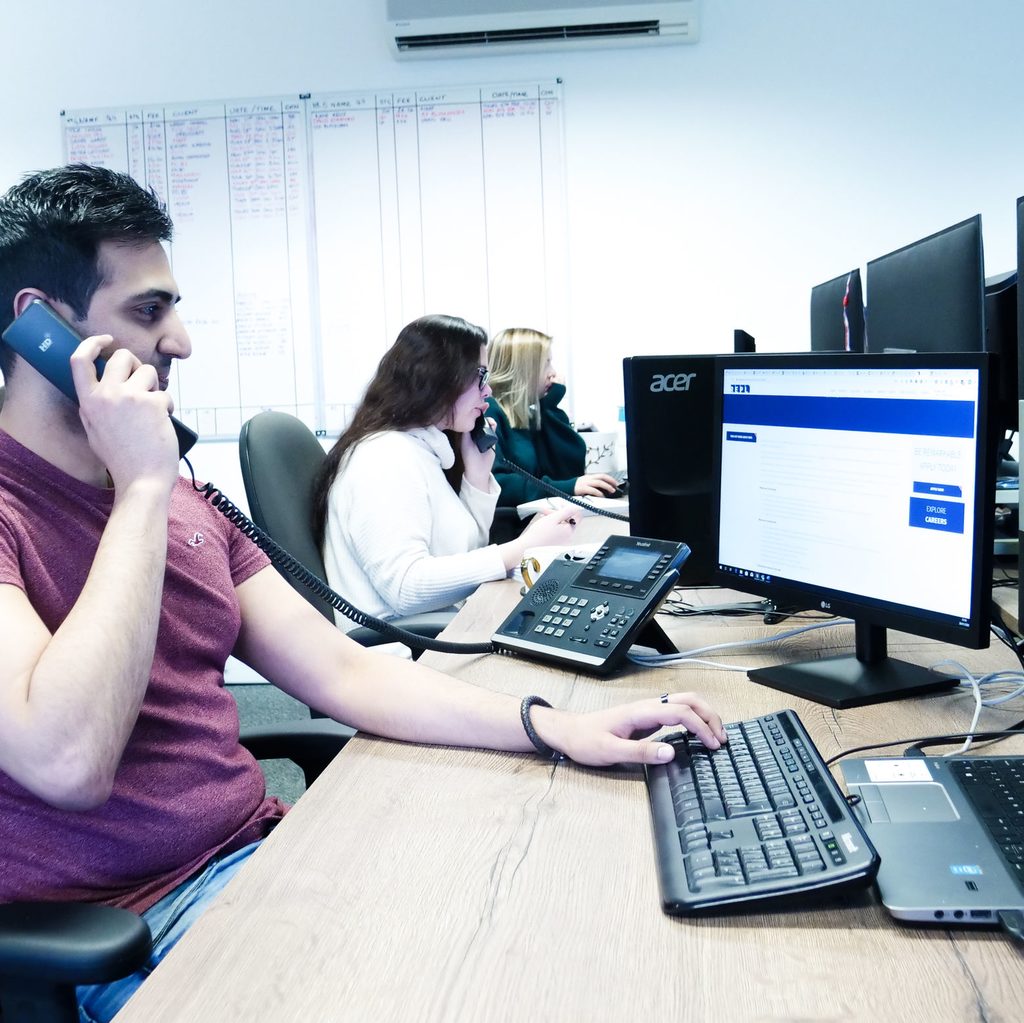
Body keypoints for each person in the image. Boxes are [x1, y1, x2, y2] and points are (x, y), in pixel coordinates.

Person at [0, 165, 726, 1022]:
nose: (184, 342)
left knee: (567, 909)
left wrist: (555, 727)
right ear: (42, 326)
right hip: (138, 924)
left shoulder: (183, 497)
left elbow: (346, 674)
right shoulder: (107, 496)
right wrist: (143, 489)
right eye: (149, 312)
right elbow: (65, 760)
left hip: (264, 854)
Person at [311, 314, 581, 630]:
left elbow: (462, 555)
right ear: (438, 378)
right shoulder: (384, 458)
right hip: (406, 651)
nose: (489, 391)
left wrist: (476, 479)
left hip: (442, 628)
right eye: (480, 376)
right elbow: (405, 588)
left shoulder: (423, 448)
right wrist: (520, 549)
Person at [485, 327, 619, 508]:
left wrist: (549, 406)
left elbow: (567, 471)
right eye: (546, 363)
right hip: (514, 529)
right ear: (524, 368)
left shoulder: (528, 416)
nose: (553, 373)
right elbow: (496, 485)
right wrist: (566, 487)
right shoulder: (490, 414)